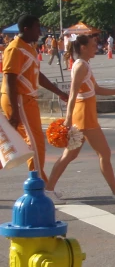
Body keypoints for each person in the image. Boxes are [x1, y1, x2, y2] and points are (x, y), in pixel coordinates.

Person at [45, 35, 115, 203]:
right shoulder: (81, 66)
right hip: (84, 117)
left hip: (85, 115)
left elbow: (96, 89)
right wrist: (67, 119)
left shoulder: (84, 65)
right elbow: (73, 93)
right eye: (93, 45)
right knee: (103, 152)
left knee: (71, 155)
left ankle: (49, 189)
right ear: (83, 47)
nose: (96, 47)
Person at [1, 14, 69, 195]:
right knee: (35, 144)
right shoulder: (14, 49)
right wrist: (14, 111)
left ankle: (40, 183)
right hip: (19, 100)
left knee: (19, 144)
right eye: (37, 28)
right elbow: (9, 79)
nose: (40, 32)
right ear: (26, 29)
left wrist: (60, 93)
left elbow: (38, 76)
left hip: (27, 101)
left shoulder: (28, 48)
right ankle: (41, 187)